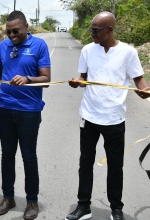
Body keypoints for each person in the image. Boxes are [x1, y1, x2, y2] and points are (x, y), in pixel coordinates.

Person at [65, 11, 150, 220]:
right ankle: (83, 206)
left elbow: (139, 80)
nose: (91, 33)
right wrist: (77, 82)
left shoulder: (127, 52)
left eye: (95, 30)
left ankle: (116, 209)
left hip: (114, 119)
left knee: (115, 166)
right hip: (89, 115)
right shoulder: (87, 50)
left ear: (109, 29)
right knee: (85, 163)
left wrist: (145, 91)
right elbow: (84, 78)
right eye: (91, 29)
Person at [0, 11, 51, 220]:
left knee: (29, 156)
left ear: (26, 26)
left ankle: (32, 202)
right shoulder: (3, 46)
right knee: (7, 155)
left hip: (29, 111)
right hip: (5, 109)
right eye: (8, 31)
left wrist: (28, 79)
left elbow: (46, 79)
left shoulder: (39, 46)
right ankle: (8, 197)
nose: (11, 35)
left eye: (15, 31)